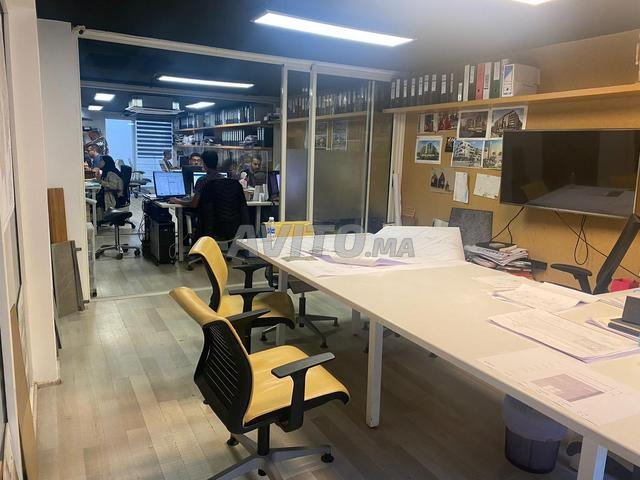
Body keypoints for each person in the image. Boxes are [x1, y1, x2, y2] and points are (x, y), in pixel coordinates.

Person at [95, 155, 123, 222]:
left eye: (101, 161)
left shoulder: (111, 173)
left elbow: (114, 186)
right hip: (107, 193)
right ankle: (99, 219)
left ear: (106, 162)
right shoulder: (106, 171)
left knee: (95, 200)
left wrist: (100, 181)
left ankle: (99, 220)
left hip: (112, 196)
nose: (99, 162)